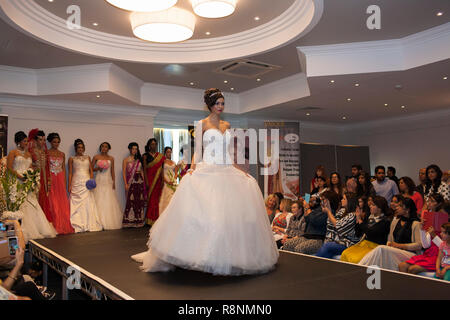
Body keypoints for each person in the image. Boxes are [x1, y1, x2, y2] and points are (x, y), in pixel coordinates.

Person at [131, 88, 278, 275]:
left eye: (223, 103)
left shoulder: (227, 124)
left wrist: (241, 170)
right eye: (217, 103)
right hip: (207, 170)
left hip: (226, 171)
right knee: (207, 216)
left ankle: (228, 257)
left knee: (229, 217)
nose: (221, 106)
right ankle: (194, 254)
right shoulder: (201, 124)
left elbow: (229, 153)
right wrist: (192, 169)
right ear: (209, 105)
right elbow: (198, 150)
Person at [7, 132, 56, 242]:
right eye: (24, 141)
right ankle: (23, 230)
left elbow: (30, 168)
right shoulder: (13, 153)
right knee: (21, 204)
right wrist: (20, 177)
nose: (26, 143)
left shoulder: (29, 154)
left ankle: (38, 229)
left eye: (27, 141)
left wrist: (32, 177)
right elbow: (9, 168)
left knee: (32, 203)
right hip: (17, 181)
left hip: (27, 182)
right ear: (18, 142)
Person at [358, 196, 422, 271]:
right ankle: (362, 269)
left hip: (410, 253)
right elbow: (389, 239)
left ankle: (360, 268)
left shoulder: (416, 224)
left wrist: (401, 246)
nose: (397, 207)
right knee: (381, 252)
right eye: (397, 205)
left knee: (381, 248)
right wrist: (390, 244)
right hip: (396, 251)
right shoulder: (395, 222)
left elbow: (419, 245)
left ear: (407, 210)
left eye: (400, 206)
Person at [282, 191, 339, 255]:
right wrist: (306, 207)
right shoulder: (319, 209)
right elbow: (307, 219)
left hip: (318, 239)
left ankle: (299, 265)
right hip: (307, 236)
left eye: (323, 199)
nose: (321, 201)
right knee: (287, 244)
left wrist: (307, 207)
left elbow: (315, 221)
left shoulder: (330, 212)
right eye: (321, 199)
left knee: (299, 248)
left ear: (329, 200)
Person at [340, 196, 391, 264]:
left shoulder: (385, 221)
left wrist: (360, 221)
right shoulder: (369, 217)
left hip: (375, 247)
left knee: (355, 259)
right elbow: (358, 233)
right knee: (345, 253)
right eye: (370, 205)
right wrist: (358, 219)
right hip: (364, 244)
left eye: (373, 205)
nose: (370, 206)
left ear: (380, 208)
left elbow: (370, 233)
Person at [68, 139, 102, 233]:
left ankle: (89, 223)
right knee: (77, 203)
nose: (80, 149)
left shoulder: (88, 157)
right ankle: (77, 223)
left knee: (88, 202)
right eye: (79, 147)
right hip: (77, 182)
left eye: (82, 147)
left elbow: (91, 170)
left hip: (86, 182)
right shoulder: (71, 158)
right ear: (75, 148)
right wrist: (69, 184)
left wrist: (91, 181)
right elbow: (70, 173)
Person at [316, 193, 360, 259]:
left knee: (327, 246)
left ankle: (313, 265)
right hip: (339, 241)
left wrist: (328, 212)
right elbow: (332, 225)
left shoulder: (353, 215)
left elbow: (338, 226)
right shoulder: (343, 211)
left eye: (344, 199)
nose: (341, 200)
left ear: (350, 201)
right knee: (327, 252)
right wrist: (329, 210)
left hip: (349, 244)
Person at [46, 133, 74, 234]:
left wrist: (65, 182)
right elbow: (46, 168)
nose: (56, 144)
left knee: (61, 201)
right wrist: (47, 180)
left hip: (60, 179)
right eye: (54, 142)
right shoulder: (47, 153)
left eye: (58, 142)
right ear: (50, 142)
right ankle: (54, 225)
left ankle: (63, 224)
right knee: (52, 201)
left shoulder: (62, 154)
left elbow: (63, 169)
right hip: (51, 178)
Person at [92, 142, 123, 230]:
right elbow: (90, 168)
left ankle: (108, 221)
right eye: (102, 146)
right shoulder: (96, 157)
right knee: (99, 198)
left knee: (108, 199)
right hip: (99, 179)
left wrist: (113, 182)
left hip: (108, 180)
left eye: (106, 147)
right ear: (100, 148)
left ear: (109, 149)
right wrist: (98, 168)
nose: (104, 148)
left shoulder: (111, 158)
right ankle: (98, 222)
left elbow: (112, 171)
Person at [27, 129, 52, 224]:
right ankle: (35, 223)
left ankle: (42, 223)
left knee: (44, 199)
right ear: (35, 140)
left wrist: (49, 180)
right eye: (40, 139)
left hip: (44, 179)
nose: (43, 142)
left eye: (44, 140)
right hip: (35, 178)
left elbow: (47, 167)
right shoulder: (30, 151)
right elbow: (28, 165)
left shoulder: (45, 152)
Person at [122, 142, 146, 228]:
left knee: (139, 201)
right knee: (131, 202)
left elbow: (142, 171)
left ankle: (139, 221)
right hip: (131, 183)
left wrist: (144, 183)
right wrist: (125, 183)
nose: (134, 150)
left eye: (136, 149)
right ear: (130, 149)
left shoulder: (139, 160)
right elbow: (124, 173)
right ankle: (129, 221)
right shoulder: (126, 160)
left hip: (139, 182)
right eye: (133, 149)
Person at [142, 138, 165, 225]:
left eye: (155, 144)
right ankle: (149, 220)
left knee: (156, 200)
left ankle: (156, 219)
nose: (154, 146)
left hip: (158, 180)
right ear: (148, 145)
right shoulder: (145, 156)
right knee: (150, 200)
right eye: (152, 144)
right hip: (150, 180)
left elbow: (162, 169)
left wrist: (162, 179)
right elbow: (144, 169)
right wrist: (146, 181)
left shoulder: (160, 156)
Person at [159, 147, 178, 215]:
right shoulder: (163, 162)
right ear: (165, 153)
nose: (169, 153)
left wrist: (175, 178)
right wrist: (167, 181)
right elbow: (161, 174)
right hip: (166, 181)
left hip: (173, 181)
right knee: (167, 198)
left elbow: (176, 172)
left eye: (170, 152)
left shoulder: (173, 162)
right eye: (168, 152)